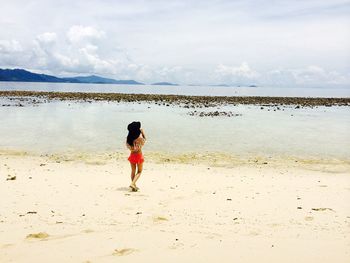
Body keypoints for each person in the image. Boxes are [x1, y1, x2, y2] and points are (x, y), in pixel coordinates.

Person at [126, 121, 146, 191]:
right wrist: (143, 133)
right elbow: (144, 141)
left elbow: (128, 147)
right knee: (139, 171)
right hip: (139, 155)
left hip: (132, 155)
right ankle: (132, 184)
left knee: (133, 171)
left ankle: (134, 186)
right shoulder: (139, 138)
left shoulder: (128, 138)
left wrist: (133, 149)